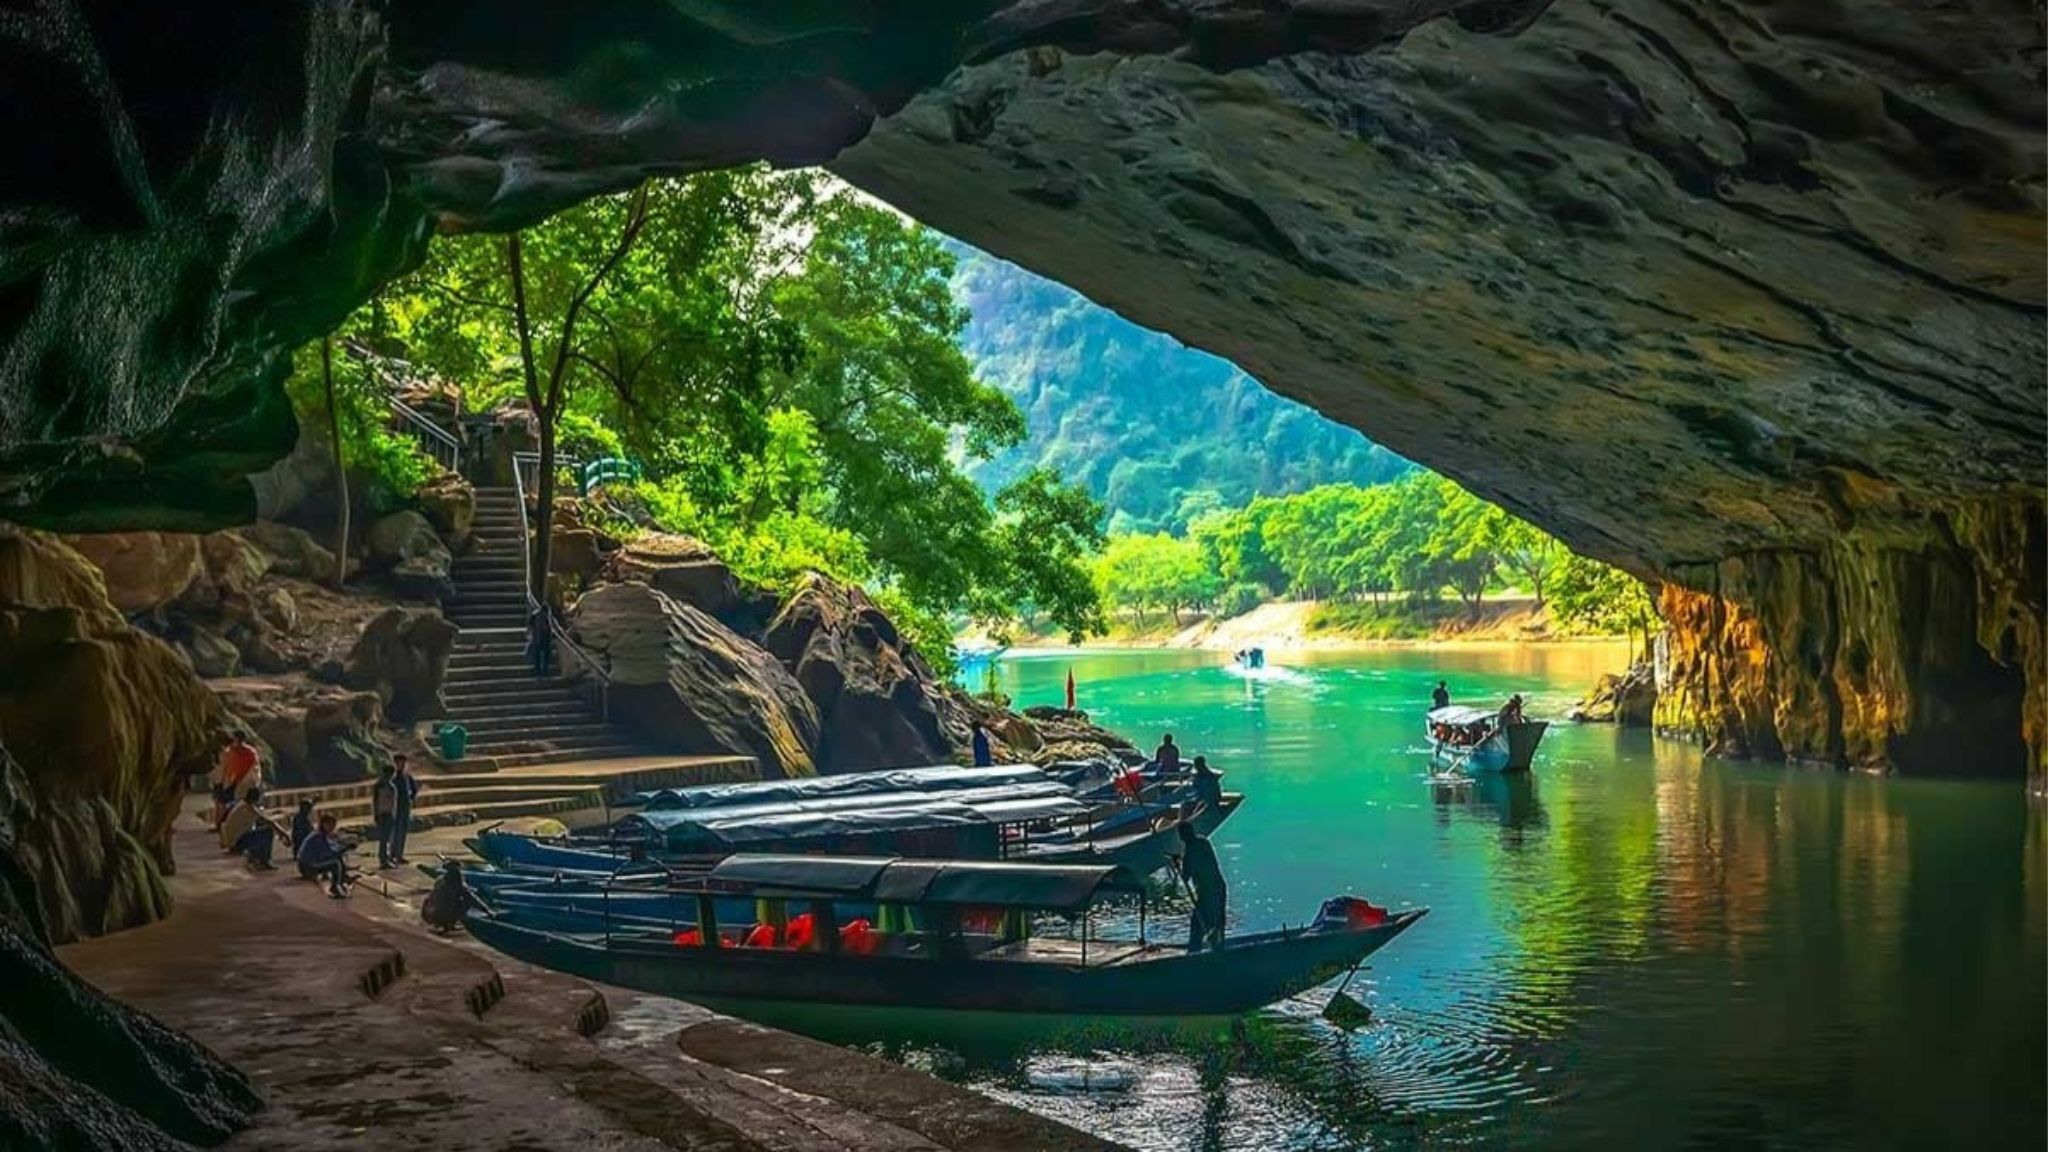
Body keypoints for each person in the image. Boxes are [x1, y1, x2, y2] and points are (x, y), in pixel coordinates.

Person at [1175, 822, 1227, 952]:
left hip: (1208, 892)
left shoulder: (1190, 850)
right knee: (1216, 922)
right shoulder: (1203, 842)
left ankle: (1201, 952)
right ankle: (1218, 948)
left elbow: (1185, 876)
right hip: (1218, 887)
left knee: (1200, 925)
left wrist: (1178, 863)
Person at [218, 788, 288, 869]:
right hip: (237, 844)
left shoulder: (242, 804)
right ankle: (264, 861)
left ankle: (254, 857)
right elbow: (269, 822)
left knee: (259, 829)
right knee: (268, 831)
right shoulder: (249, 807)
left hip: (232, 842)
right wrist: (284, 834)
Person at [209, 734, 261, 829]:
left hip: (245, 783)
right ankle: (221, 825)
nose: (235, 743)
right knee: (223, 802)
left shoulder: (249, 752)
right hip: (234, 782)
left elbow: (254, 768)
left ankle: (244, 826)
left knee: (245, 804)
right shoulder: (231, 752)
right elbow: (228, 768)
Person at [296, 813, 353, 898]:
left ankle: (342, 879)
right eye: (330, 825)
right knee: (336, 863)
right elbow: (327, 853)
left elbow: (333, 846)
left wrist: (343, 847)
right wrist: (344, 849)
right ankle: (335, 887)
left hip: (308, 863)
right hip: (307, 866)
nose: (332, 827)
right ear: (324, 824)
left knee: (338, 858)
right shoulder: (318, 836)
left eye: (334, 825)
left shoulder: (321, 834)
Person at [421, 860, 483, 932]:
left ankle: (444, 924)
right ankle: (448, 924)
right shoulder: (459, 886)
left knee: (446, 902)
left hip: (431, 913)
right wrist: (486, 910)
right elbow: (472, 898)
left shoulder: (440, 881)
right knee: (465, 901)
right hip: (440, 914)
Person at [388, 755, 419, 866]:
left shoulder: (407, 776)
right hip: (396, 808)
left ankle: (399, 855)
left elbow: (414, 789)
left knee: (403, 831)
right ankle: (392, 854)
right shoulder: (393, 778)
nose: (401, 765)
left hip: (405, 807)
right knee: (395, 832)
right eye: (398, 763)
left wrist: (410, 799)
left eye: (402, 763)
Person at [372, 764, 399, 869]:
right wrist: (376, 814)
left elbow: (394, 803)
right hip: (382, 814)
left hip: (390, 814)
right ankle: (383, 859)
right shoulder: (378, 787)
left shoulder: (392, 787)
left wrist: (394, 814)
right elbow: (375, 802)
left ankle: (387, 858)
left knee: (388, 838)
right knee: (383, 839)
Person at [526, 603, 555, 676]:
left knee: (537, 655)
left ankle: (537, 670)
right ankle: (544, 670)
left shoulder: (534, 614)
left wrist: (529, 634)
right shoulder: (545, 616)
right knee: (546, 655)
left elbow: (530, 625)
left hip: (536, 637)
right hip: (544, 637)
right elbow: (547, 627)